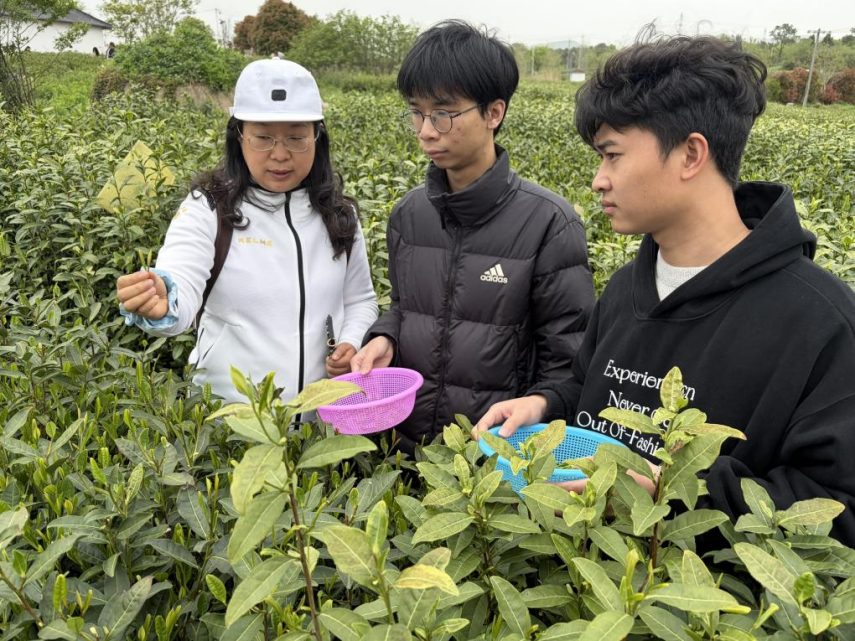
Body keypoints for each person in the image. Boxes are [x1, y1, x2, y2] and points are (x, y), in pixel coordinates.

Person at [473, 36, 855, 545]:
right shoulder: (626, 286)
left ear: (691, 154)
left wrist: (670, 494)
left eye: (612, 155)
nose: (598, 180)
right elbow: (589, 390)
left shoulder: (820, 321)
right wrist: (544, 404)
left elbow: (837, 509)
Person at [352, 21, 595, 454]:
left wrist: (535, 415)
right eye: (417, 112)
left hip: (492, 460)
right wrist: (384, 336)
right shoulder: (409, 215)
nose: (426, 130)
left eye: (443, 114)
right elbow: (406, 308)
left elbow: (567, 362)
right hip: (405, 451)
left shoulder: (549, 223)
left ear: (493, 113)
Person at [116, 59, 378, 404]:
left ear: (318, 137)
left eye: (297, 137)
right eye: (263, 138)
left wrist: (350, 341)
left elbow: (360, 299)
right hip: (230, 421)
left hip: (322, 421)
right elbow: (181, 279)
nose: (280, 154)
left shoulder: (339, 214)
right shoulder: (209, 209)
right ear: (239, 137)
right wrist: (165, 300)